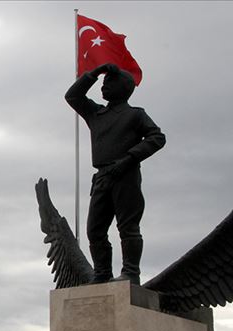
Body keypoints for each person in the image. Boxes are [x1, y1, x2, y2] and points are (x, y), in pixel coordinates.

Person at [65, 63, 166, 285]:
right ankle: (102, 273)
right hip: (102, 176)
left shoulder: (135, 115)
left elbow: (157, 138)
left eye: (108, 83)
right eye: (103, 83)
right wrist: (94, 73)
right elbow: (72, 96)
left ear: (123, 87)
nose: (103, 87)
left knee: (128, 227)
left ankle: (131, 273)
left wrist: (129, 158)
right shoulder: (96, 113)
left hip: (126, 175)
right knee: (95, 230)